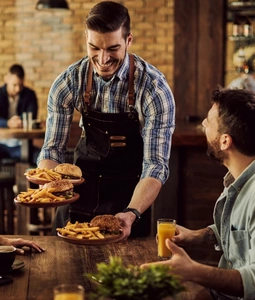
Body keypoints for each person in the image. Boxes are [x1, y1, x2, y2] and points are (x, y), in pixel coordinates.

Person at [141, 87, 255, 299]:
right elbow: (244, 230)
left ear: (225, 141)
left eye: (208, 121)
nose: (204, 125)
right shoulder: (244, 173)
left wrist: (194, 271)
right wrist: (198, 236)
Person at [37, 1, 175, 238]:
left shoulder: (154, 88)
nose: (102, 59)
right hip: (79, 196)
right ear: (86, 39)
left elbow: (156, 166)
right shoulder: (69, 82)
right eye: (94, 48)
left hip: (130, 201)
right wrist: (52, 188)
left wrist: (131, 213)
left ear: (128, 40)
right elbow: (52, 150)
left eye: (112, 48)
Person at [0, 64, 39, 164]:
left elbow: (32, 115)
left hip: (22, 145)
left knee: (42, 158)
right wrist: (7, 123)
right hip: (1, 144)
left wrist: (19, 121)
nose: (17, 89)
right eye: (14, 85)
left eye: (20, 85)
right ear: (6, 79)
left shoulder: (30, 94)